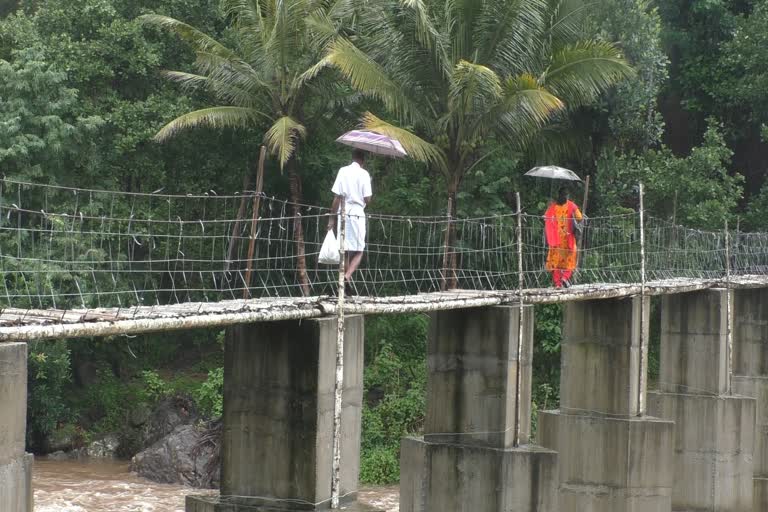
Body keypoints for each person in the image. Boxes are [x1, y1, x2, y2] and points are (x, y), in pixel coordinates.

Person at [328, 149, 372, 288]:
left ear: (352, 157)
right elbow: (367, 199)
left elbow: (337, 197)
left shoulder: (343, 171)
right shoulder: (364, 174)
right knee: (359, 249)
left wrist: (332, 217)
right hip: (358, 213)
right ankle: (347, 277)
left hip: (343, 211)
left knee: (345, 248)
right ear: (363, 161)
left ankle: (343, 283)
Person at [544, 187, 583, 288]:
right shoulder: (571, 205)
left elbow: (546, 218)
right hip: (568, 239)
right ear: (567, 196)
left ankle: (557, 284)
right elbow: (579, 217)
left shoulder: (552, 207)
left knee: (556, 262)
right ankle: (565, 278)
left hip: (556, 240)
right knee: (570, 260)